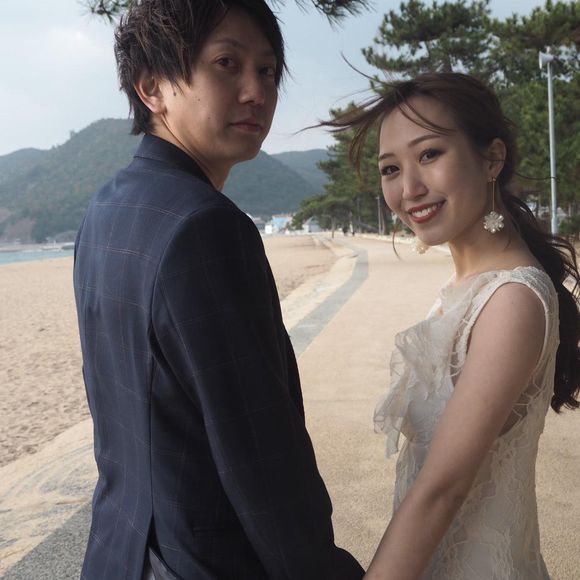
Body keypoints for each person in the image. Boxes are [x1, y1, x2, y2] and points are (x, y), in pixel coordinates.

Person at [73, 1, 364, 579]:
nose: (257, 92)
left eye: (267, 70)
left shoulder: (105, 209)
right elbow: (260, 456)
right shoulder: (206, 226)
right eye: (227, 63)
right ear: (152, 87)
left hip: (118, 552)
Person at [325, 72, 580, 579]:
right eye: (390, 168)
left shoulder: (511, 299)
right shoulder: (466, 286)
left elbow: (441, 490)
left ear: (492, 158)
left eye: (429, 154)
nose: (409, 189)